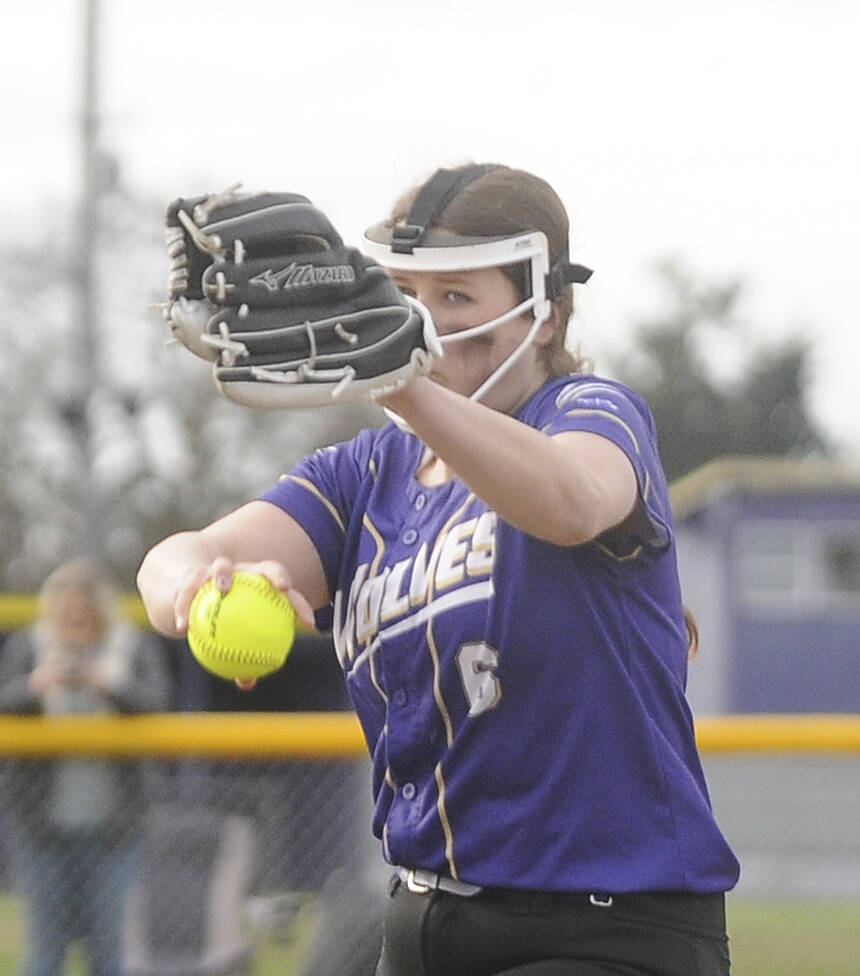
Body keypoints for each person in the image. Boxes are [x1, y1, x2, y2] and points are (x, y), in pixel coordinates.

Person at [137, 162, 740, 976]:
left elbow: (568, 499)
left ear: (548, 312)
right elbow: (172, 561)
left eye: (457, 297)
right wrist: (196, 587)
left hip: (602, 926)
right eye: (404, 296)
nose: (423, 321)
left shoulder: (591, 415)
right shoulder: (365, 474)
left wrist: (404, 383)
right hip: (425, 921)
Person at [0, 558, 173, 976]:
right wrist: (36, 686)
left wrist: (107, 684)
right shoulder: (27, 647)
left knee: (108, 952)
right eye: (66, 612)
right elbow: (5, 703)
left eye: (84, 612)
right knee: (45, 952)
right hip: (40, 829)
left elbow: (157, 703)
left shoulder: (134, 648)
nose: (75, 619)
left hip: (115, 830)